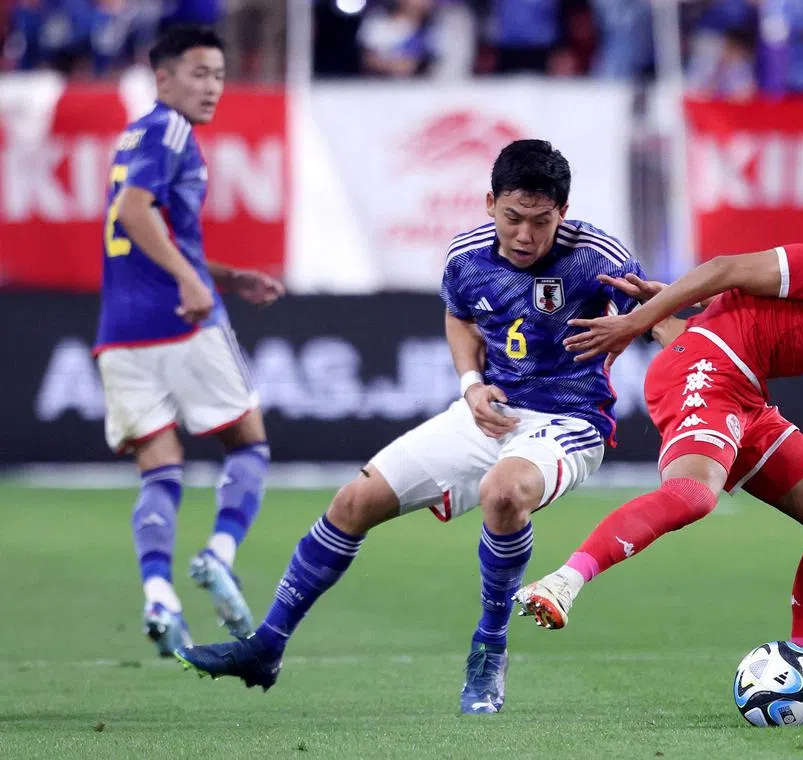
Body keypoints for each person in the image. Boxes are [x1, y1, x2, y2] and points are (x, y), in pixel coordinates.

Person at [175, 139, 661, 715]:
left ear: (564, 212)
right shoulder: (467, 257)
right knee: (354, 501)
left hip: (570, 421)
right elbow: (460, 318)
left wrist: (636, 326)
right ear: (489, 204)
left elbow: (658, 311)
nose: (526, 235)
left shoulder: (596, 255)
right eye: (513, 218)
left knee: (503, 493)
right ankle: (266, 646)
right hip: (489, 411)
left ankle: (489, 650)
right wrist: (470, 384)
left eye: (541, 221)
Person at [515, 219, 803, 717]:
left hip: (741, 392)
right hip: (711, 372)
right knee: (694, 495)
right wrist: (640, 320)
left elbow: (745, 324)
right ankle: (563, 581)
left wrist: (672, 316)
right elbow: (726, 270)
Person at [95, 24, 285, 658]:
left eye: (219, 76)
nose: (211, 88)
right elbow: (134, 213)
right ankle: (219, 554)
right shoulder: (169, 130)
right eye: (199, 74)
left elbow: (146, 228)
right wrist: (192, 282)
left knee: (160, 469)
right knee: (249, 443)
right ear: (164, 77)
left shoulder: (132, 137)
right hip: (180, 321)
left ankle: (159, 594)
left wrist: (224, 275)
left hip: (118, 334)